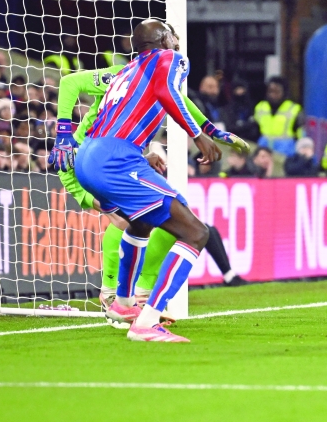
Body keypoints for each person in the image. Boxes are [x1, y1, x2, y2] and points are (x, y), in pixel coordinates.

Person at [49, 61, 248, 313]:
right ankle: (112, 293)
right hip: (81, 158)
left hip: (114, 159)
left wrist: (211, 131)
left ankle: (140, 293)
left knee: (170, 216)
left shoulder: (160, 84)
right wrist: (63, 134)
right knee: (125, 220)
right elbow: (71, 82)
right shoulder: (123, 75)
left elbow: (180, 102)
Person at [73, 20, 227, 342]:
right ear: (161, 40)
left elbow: (124, 116)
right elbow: (169, 94)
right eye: (174, 36)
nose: (178, 42)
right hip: (115, 158)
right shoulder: (167, 59)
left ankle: (123, 302)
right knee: (196, 232)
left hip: (89, 156)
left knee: (141, 222)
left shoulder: (127, 71)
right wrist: (198, 135)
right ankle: (147, 320)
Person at [254, 76, 303, 156]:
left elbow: (301, 136)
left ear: (284, 92)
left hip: (285, 155)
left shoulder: (294, 109)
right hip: (263, 154)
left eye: (277, 92)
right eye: (270, 91)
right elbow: (254, 131)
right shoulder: (260, 107)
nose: (273, 95)